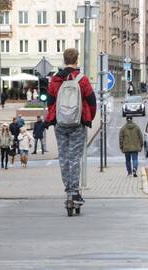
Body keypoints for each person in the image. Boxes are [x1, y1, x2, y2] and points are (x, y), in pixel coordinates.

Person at [45, 48, 97, 203]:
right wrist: (88, 118)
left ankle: (68, 189)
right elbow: (92, 102)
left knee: (64, 157)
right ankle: (74, 192)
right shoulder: (82, 79)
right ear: (77, 60)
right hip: (78, 123)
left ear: (64, 60)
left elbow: (50, 102)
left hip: (60, 123)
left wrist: (55, 116)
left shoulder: (55, 80)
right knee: (75, 157)